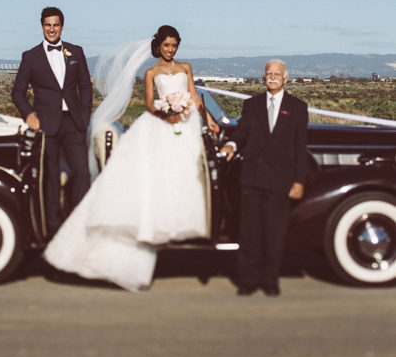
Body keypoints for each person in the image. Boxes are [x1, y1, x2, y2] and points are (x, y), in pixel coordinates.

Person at [44, 25, 219, 291]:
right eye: (166, 46)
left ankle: (180, 225)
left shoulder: (185, 68)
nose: (170, 50)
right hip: (161, 122)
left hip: (189, 122)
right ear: (158, 46)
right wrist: (168, 113)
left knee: (188, 174)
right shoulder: (151, 72)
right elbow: (150, 103)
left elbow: (194, 95)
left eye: (174, 46)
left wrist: (207, 118)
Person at [220, 59, 307, 297]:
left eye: (277, 73)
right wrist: (231, 144)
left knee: (274, 233)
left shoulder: (298, 107)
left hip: (281, 181)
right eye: (269, 73)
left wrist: (299, 181)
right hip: (252, 178)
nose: (272, 77)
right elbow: (243, 130)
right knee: (249, 233)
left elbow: (300, 148)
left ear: (286, 78)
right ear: (263, 77)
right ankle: (247, 281)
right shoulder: (252, 105)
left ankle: (270, 281)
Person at [12, 7, 93, 234]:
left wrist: (84, 113)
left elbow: (85, 86)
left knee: (82, 172)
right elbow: (17, 92)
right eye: (48, 25)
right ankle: (53, 229)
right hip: (46, 125)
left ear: (62, 26)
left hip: (74, 122)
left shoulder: (76, 52)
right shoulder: (30, 56)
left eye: (56, 25)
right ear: (42, 26)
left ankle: (79, 225)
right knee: (51, 176)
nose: (52, 29)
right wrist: (28, 113)